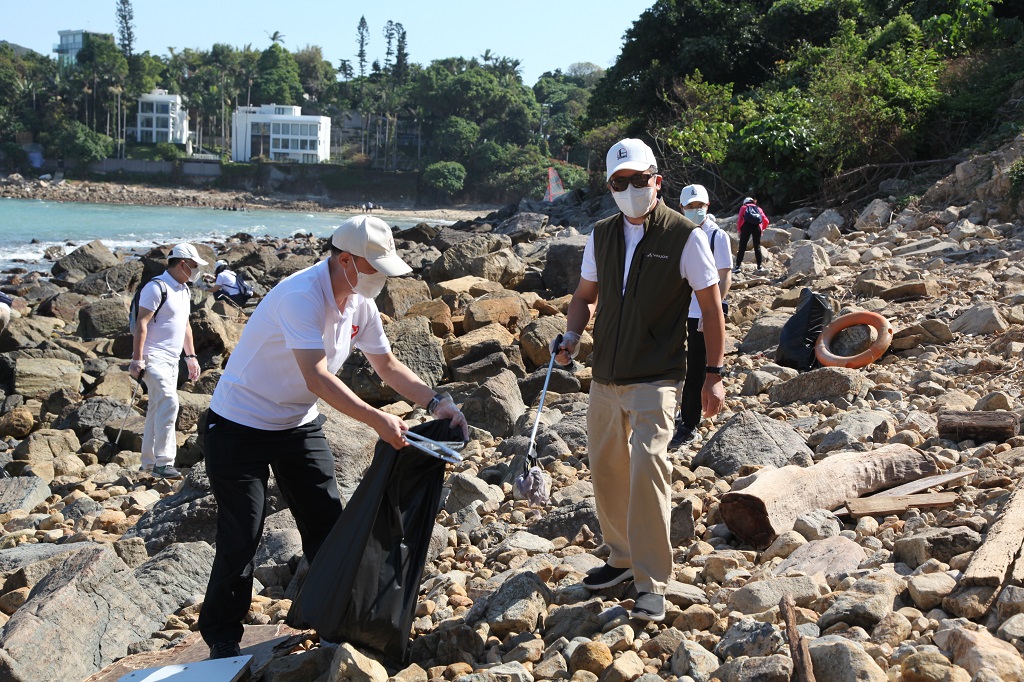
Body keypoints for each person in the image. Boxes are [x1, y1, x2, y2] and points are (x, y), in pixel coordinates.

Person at [198, 215, 470, 660]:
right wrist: (376, 420)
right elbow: (317, 377)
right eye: (374, 267)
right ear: (345, 260)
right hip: (238, 427)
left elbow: (387, 365)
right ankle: (223, 636)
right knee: (242, 533)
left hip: (296, 425)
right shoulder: (301, 296)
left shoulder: (359, 303)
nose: (380, 277)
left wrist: (436, 401)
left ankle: (331, 618)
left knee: (328, 522)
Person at [552, 139, 725, 622]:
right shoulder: (600, 235)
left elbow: (712, 308)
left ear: (657, 181)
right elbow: (585, 297)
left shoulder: (685, 236)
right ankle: (622, 559)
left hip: (659, 375)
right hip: (606, 373)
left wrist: (713, 375)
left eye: (638, 180)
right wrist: (570, 335)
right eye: (619, 182)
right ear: (610, 186)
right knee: (605, 469)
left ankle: (652, 582)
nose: (629, 189)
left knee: (648, 466)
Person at [129, 243, 205, 479]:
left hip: (172, 360)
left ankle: (148, 464)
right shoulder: (156, 288)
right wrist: (137, 359)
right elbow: (142, 323)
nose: (196, 271)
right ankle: (164, 462)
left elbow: (185, 325)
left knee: (157, 406)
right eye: (194, 266)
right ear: (182, 264)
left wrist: (190, 357)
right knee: (170, 402)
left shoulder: (184, 290)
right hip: (153, 357)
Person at [672, 184, 733, 447]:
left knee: (697, 367)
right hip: (679, 309)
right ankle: (675, 413)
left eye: (700, 206)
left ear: (708, 207)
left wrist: (714, 310)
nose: (696, 210)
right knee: (676, 365)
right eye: (691, 206)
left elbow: (724, 275)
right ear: (681, 208)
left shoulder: (717, 236)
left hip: (702, 311)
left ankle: (689, 423)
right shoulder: (678, 232)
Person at [735, 197, 769, 273]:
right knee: (757, 247)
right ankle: (759, 266)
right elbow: (766, 220)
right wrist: (763, 228)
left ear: (745, 202)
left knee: (742, 246)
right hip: (757, 227)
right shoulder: (758, 208)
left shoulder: (743, 207)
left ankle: (737, 266)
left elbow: (740, 219)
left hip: (746, 227)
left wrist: (739, 230)